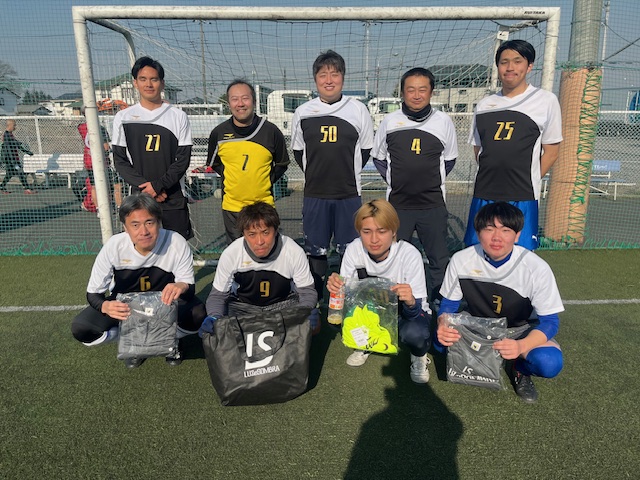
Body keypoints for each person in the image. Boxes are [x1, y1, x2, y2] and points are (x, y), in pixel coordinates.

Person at [437, 202, 564, 403]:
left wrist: (521, 345)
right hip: (478, 326)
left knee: (548, 363)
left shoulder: (536, 267)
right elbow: (448, 306)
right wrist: (443, 324)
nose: (496, 237)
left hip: (519, 329)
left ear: (517, 235)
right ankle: (484, 355)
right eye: (489, 229)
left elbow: (550, 322)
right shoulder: (461, 259)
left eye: (505, 230)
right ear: (478, 233)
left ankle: (519, 369)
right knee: (437, 342)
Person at [71, 193, 206, 368]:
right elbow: (93, 294)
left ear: (159, 222)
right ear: (125, 227)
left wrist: (181, 286)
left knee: (198, 314)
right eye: (135, 225)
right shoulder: (114, 246)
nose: (144, 231)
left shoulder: (175, 242)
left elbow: (189, 291)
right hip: (127, 308)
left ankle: (172, 339)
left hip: (165, 306)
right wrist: (105, 306)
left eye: (149, 222)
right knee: (82, 328)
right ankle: (133, 340)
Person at [291, 49, 374, 307]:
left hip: (348, 194)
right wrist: (319, 174)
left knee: (350, 251)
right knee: (315, 252)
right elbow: (298, 152)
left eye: (334, 74)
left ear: (343, 77)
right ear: (315, 79)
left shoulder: (358, 109)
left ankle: (350, 301)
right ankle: (314, 302)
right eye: (323, 75)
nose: (329, 80)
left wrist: (343, 172)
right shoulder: (303, 112)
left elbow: (365, 149)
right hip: (315, 195)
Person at [371, 67, 458, 303]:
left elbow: (449, 160)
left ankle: (440, 302)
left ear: (431, 92)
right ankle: (395, 304)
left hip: (432, 205)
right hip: (399, 206)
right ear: (402, 92)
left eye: (422, 89)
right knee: (395, 258)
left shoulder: (443, 121)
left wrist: (427, 181)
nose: (416, 95)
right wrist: (397, 181)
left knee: (438, 258)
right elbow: (379, 158)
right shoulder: (390, 121)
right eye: (411, 90)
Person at [465, 39, 563, 250]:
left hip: (522, 195)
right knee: (478, 251)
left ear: (529, 66)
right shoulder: (484, 105)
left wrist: (529, 178)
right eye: (504, 62)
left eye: (517, 61)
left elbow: (552, 152)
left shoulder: (546, 100)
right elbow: (478, 149)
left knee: (521, 254)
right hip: (485, 193)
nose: (510, 67)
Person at [326, 199, 432, 383]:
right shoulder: (354, 249)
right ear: (359, 231)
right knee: (337, 319)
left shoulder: (409, 254)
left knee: (415, 333)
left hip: (402, 314)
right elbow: (347, 298)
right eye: (366, 232)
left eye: (382, 231)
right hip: (371, 311)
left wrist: (410, 302)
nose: (374, 239)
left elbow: (418, 310)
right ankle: (365, 343)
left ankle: (418, 355)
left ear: (393, 231)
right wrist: (336, 286)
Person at [204, 201, 318, 332]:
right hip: (243, 307)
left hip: (283, 305)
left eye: (265, 233)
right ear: (244, 234)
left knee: (314, 324)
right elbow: (218, 296)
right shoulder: (231, 253)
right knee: (218, 327)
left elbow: (306, 292)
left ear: (275, 231)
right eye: (252, 234)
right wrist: (214, 317)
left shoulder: (293, 251)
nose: (259, 242)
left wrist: (306, 311)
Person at [112, 56, 194, 239]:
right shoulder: (123, 117)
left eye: (154, 79)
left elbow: (183, 160)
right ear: (135, 83)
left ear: (162, 83)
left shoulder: (178, 116)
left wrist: (158, 186)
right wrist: (148, 191)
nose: (148, 84)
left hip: (172, 197)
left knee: (177, 247)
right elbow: (120, 160)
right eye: (143, 79)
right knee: (143, 248)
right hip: (139, 198)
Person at [202, 80, 289, 244]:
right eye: (235, 99)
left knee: (265, 249)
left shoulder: (271, 131)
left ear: (254, 101)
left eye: (245, 98)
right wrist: (234, 178)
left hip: (264, 206)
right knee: (237, 252)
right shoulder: (218, 133)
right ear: (229, 104)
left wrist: (265, 180)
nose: (240, 104)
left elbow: (282, 163)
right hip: (232, 207)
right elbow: (214, 163)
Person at [78, 110, 122, 212]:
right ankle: (119, 207)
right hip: (102, 162)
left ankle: (98, 209)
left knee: (94, 186)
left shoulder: (82, 127)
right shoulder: (100, 129)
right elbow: (105, 147)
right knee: (116, 185)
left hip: (89, 161)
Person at [0, 119, 36, 194]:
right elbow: (8, 148)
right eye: (14, 125)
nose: (15, 127)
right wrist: (13, 160)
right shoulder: (7, 135)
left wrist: (27, 152)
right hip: (12, 160)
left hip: (12, 159)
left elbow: (17, 144)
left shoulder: (10, 135)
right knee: (20, 172)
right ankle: (27, 189)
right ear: (10, 125)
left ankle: (2, 187)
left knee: (9, 174)